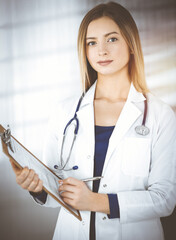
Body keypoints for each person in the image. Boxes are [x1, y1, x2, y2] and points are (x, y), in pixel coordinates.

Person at [10, 2, 176, 240]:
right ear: (85, 51)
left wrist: (96, 201)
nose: (101, 51)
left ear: (130, 43)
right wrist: (37, 188)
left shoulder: (160, 115)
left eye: (112, 39)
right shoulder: (65, 112)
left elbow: (164, 199)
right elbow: (55, 187)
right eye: (92, 42)